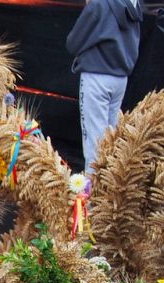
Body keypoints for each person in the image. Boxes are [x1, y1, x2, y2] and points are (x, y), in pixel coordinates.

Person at [66, 0, 144, 172]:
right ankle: (109, 185)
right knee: (111, 140)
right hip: (121, 79)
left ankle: (93, 188)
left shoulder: (99, 4)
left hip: (96, 77)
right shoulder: (134, 3)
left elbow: (73, 43)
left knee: (94, 145)